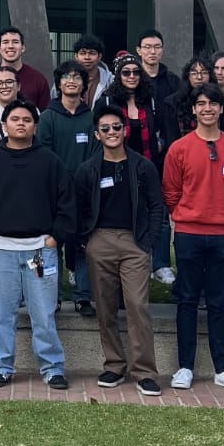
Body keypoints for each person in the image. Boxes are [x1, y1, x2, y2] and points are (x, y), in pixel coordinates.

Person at [0, 99, 75, 390]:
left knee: (44, 314)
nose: (21, 124)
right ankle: (0, 367)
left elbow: (67, 203)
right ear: (5, 125)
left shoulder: (50, 161)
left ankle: (52, 368)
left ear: (34, 125)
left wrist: (55, 238)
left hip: (40, 248)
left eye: (27, 119)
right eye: (15, 119)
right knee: (2, 314)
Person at [162, 83, 224, 392]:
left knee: (218, 303)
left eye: (213, 103)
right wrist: (186, 213)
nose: (207, 109)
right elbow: (171, 192)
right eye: (201, 104)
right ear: (193, 109)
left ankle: (222, 368)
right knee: (186, 300)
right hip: (189, 233)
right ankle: (184, 366)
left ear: (220, 109)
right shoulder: (180, 148)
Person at [74, 104, 167, 395]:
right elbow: (79, 208)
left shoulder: (142, 166)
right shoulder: (88, 168)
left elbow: (156, 206)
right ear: (97, 134)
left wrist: (148, 242)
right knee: (105, 306)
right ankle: (114, 365)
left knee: (138, 306)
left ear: (124, 130)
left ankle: (145, 371)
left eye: (117, 127)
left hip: (134, 242)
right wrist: (86, 240)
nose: (112, 132)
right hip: (99, 241)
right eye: (105, 129)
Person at [100, 52, 176, 282]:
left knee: (157, 213)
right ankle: (122, 261)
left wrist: (161, 145)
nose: (132, 76)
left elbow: (164, 128)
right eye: (126, 72)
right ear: (118, 75)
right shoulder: (106, 101)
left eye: (136, 72)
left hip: (149, 165)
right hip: (118, 166)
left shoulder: (150, 100)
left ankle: (160, 264)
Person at [37, 60, 97, 316]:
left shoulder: (92, 117)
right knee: (54, 245)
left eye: (76, 77)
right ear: (58, 84)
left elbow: (97, 153)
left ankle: (83, 296)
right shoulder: (48, 117)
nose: (71, 81)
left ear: (84, 85)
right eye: (66, 77)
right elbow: (45, 154)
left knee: (83, 244)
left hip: (85, 192)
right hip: (55, 193)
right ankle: (54, 295)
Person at [0, 26, 50, 110]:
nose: (10, 46)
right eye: (5, 42)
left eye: (15, 42)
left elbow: (44, 116)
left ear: (23, 48)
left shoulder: (39, 80)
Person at [172, 56, 224, 137]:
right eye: (194, 73)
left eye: (204, 72)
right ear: (188, 76)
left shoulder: (220, 99)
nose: (199, 77)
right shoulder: (175, 101)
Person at [135, 28, 181, 105]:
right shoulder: (132, 77)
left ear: (162, 50)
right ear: (138, 50)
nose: (153, 52)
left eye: (157, 47)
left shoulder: (172, 80)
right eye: (147, 47)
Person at [73, 34, 114, 105]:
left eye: (92, 53)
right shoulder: (65, 79)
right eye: (83, 53)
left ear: (99, 56)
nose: (87, 57)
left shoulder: (111, 81)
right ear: (76, 56)